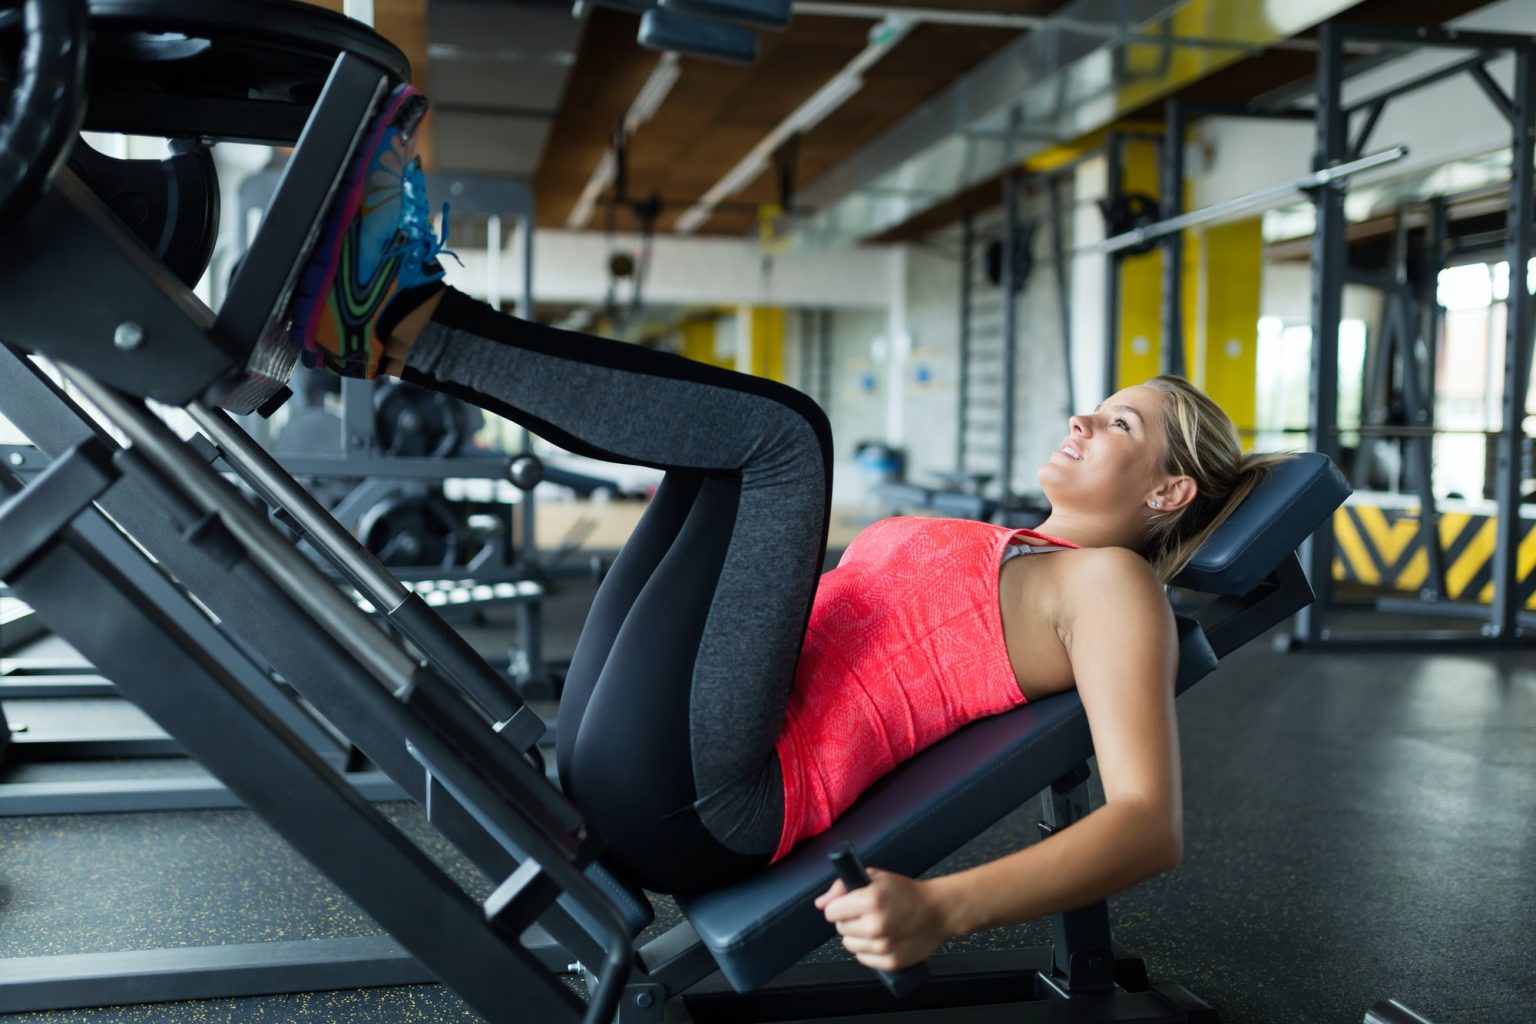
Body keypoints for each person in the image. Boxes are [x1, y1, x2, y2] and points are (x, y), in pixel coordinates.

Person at [287, 86, 1290, 973]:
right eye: (1098, 403)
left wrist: (944, 905)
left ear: (1169, 494)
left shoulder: (1113, 586)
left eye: (1123, 423)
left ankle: (404, 322)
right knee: (720, 442)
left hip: (711, 794)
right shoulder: (1022, 549)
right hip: (638, 751)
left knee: (785, 435)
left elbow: (1148, 825)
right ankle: (397, 322)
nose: (1083, 418)